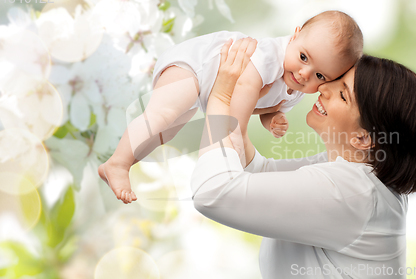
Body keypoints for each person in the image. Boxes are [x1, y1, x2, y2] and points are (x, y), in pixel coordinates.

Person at [192, 38, 416, 278]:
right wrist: (242, 103)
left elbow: (212, 193)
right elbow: (257, 171)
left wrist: (221, 96)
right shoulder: (351, 174)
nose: (324, 87)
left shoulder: (353, 192)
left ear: (362, 138)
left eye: (343, 94)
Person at [98, 10, 364, 204]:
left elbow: (264, 105)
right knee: (162, 115)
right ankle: (118, 163)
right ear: (294, 36)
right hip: (195, 66)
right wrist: (236, 133)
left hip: (205, 90)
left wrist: (272, 119)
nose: (305, 74)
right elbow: (246, 87)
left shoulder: (294, 87)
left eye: (320, 76)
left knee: (165, 131)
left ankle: (125, 162)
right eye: (303, 57)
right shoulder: (270, 55)